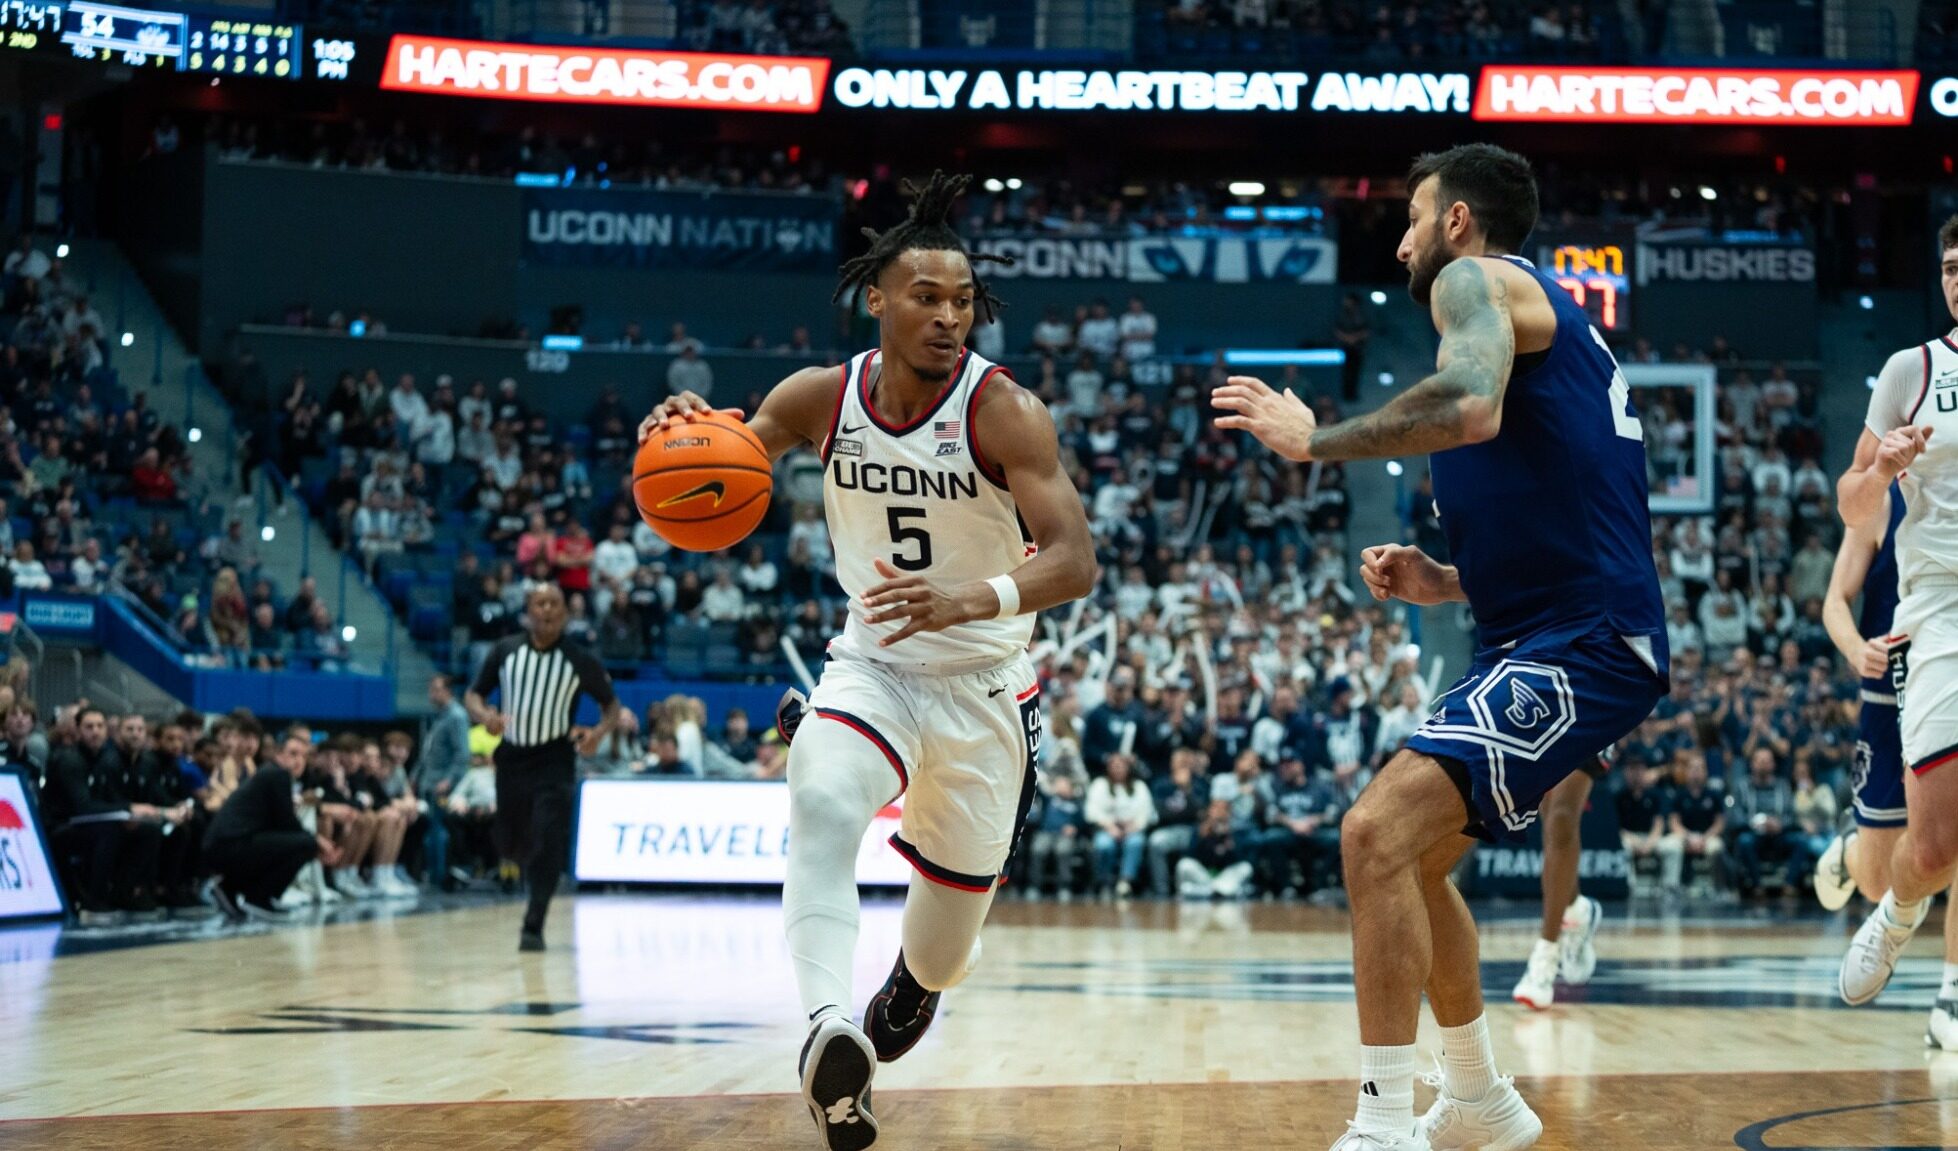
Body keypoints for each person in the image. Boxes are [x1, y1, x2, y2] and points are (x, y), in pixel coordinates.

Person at [1213, 144, 1667, 1151]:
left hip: (1578, 640)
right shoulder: (1537, 325)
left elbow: (1466, 408)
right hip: (1557, 624)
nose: (1402, 237)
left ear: (1458, 220)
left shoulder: (1474, 281)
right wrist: (1447, 580)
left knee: (1369, 831)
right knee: (1410, 861)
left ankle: (1379, 1126)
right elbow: (1570, 516)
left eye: (1412, 217)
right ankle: (1478, 1099)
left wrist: (1313, 439)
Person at [638, 171, 1097, 1151]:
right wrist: (688, 437)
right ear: (876, 298)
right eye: (924, 296)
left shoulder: (1002, 410)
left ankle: (907, 983)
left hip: (981, 686)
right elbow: (726, 484)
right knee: (824, 802)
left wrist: (969, 597)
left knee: (944, 951)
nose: (945, 316)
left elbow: (1074, 559)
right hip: (874, 664)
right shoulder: (816, 397)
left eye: (962, 300)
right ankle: (822, 1028)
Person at [1834, 215, 1958, 1011]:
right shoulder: (1908, 369)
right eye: (1950, 266)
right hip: (1942, 606)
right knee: (1937, 843)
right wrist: (1879, 467)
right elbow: (1851, 503)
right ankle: (1896, 911)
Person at [1816, 481, 1958, 1045]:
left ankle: (1951, 990)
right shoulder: (1881, 497)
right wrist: (1856, 650)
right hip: (1886, 697)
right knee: (1878, 880)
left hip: (1947, 684)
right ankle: (1852, 849)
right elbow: (1834, 602)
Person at [466, 583, 620, 952]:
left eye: (555, 604)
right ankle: (516, 869)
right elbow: (472, 694)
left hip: (555, 759)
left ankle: (533, 923)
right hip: (513, 759)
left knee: (549, 841)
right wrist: (484, 715)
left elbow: (611, 705)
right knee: (514, 842)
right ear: (528, 610)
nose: (547, 610)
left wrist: (599, 732)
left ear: (565, 613)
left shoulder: (579, 660)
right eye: (540, 603)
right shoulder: (504, 651)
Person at [203, 730, 341, 921]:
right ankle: (258, 898)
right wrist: (318, 842)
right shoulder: (277, 775)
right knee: (305, 844)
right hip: (229, 846)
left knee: (302, 843)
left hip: (226, 845)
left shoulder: (271, 773)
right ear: (279, 754)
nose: (298, 760)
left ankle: (231, 887)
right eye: (293, 754)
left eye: (303, 755)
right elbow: (287, 824)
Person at [1509, 758, 1607, 1011]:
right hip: (1542, 718)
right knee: (1553, 821)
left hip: (1592, 718)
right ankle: (1576, 909)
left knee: (1562, 817)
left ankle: (1544, 958)